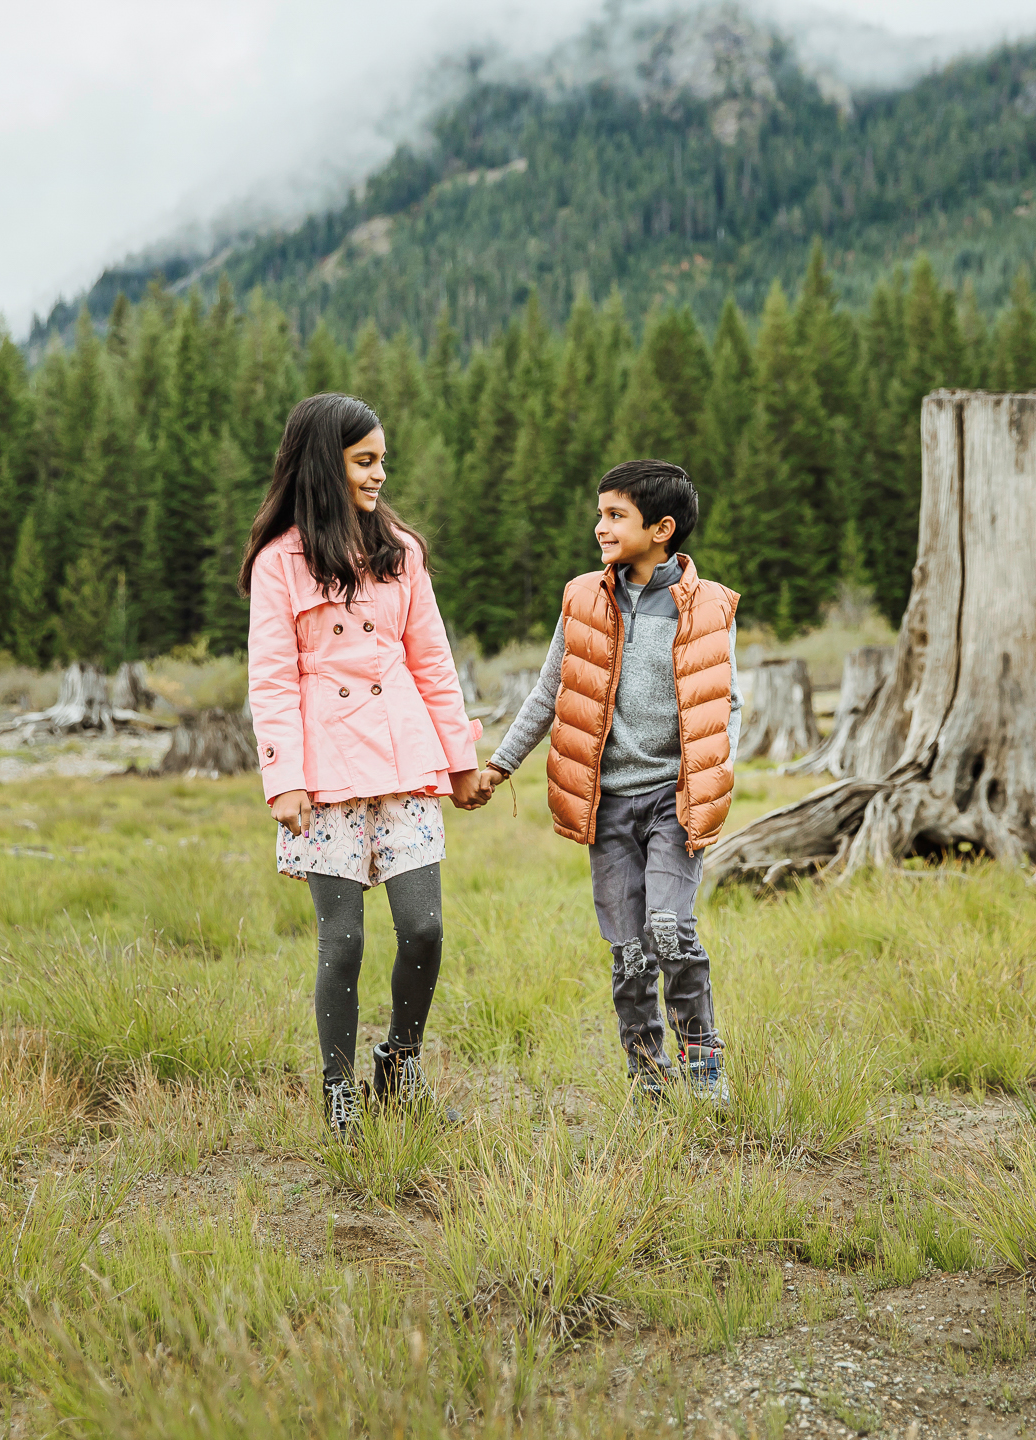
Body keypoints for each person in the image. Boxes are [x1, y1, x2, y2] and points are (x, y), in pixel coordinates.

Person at [243, 392, 485, 1138]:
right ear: (326, 462)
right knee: (341, 940)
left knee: (424, 929)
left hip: (405, 758)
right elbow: (272, 677)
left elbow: (434, 664)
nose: (381, 474)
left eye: (383, 460)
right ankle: (338, 1089)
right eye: (365, 461)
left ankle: (400, 1065)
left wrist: (462, 761)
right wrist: (283, 779)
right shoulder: (280, 562)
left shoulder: (401, 552)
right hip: (325, 773)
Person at [472, 460, 741, 1101]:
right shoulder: (584, 599)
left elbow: (725, 705)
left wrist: (710, 779)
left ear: (662, 528)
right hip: (608, 805)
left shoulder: (709, 606)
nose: (600, 527)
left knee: (672, 931)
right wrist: (500, 764)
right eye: (600, 513)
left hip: (674, 801)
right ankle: (647, 1079)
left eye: (615, 515)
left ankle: (704, 1068)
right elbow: (549, 690)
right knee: (630, 953)